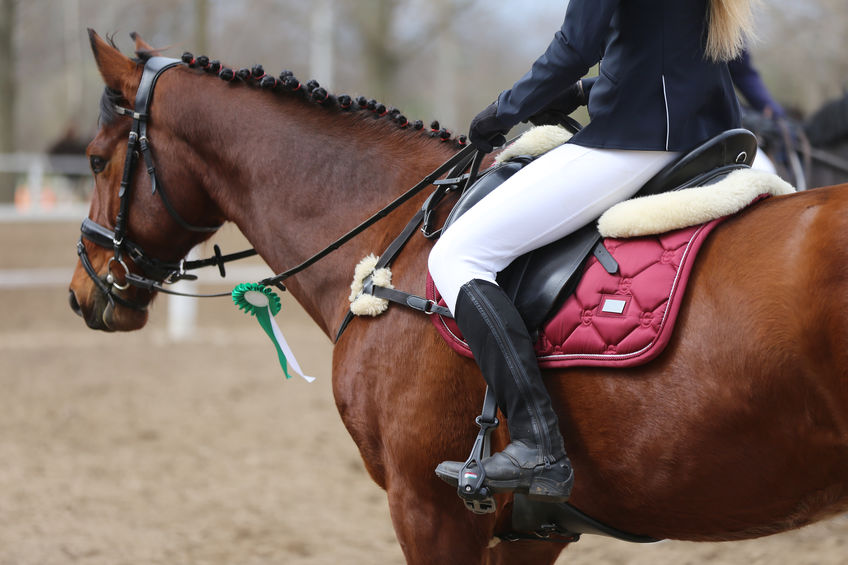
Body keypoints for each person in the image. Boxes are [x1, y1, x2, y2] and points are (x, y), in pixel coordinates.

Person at [429, 0, 755, 503]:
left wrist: (502, 110)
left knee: (458, 255)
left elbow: (575, 45)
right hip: (710, 131)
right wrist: (584, 93)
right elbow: (663, 40)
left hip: (638, 139)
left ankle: (537, 443)